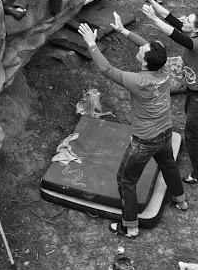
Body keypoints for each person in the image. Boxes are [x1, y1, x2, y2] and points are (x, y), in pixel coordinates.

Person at [78, 14, 187, 239]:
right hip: (165, 132)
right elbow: (148, 47)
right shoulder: (164, 71)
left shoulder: (138, 81)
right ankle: (181, 200)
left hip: (145, 141)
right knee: (168, 165)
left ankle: (130, 225)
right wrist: (123, 31)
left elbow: (107, 69)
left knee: (126, 180)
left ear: (145, 62)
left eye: (142, 52)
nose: (140, 49)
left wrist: (91, 43)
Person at [142, 0, 198, 185]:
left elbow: (175, 35)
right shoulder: (191, 34)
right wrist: (152, 2)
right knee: (188, 111)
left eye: (189, 20)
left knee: (190, 135)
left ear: (196, 30)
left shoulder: (196, 43)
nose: (185, 20)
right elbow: (171, 18)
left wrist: (152, 19)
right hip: (196, 90)